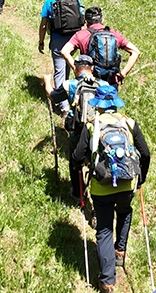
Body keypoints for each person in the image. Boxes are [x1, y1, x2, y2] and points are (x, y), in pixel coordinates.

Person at [71, 84, 150, 293]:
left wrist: (79, 171)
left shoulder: (91, 126)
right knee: (125, 211)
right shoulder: (129, 123)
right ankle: (120, 252)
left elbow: (77, 157)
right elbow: (145, 153)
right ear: (115, 104)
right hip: (126, 183)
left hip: (101, 187)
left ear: (98, 105)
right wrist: (140, 177)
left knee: (104, 229)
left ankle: (107, 283)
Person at [45, 55, 114, 199]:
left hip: (78, 131)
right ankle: (102, 189)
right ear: (92, 69)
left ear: (75, 68)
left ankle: (78, 192)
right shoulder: (104, 85)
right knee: (98, 158)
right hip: (99, 131)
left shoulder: (69, 84)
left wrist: (47, 82)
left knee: (75, 161)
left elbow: (53, 96)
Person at [61, 7, 141, 87]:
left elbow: (64, 51)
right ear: (102, 20)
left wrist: (76, 68)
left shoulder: (81, 35)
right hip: (111, 81)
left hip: (89, 81)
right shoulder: (113, 34)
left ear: (86, 22)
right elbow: (135, 52)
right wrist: (123, 73)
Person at [38, 0, 84, 89]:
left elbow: (43, 25)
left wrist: (41, 41)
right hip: (73, 39)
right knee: (67, 65)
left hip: (57, 38)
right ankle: (67, 94)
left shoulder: (49, 2)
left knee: (59, 70)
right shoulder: (76, 0)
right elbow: (82, 21)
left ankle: (61, 104)